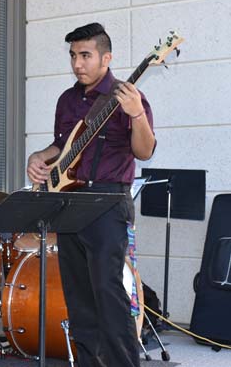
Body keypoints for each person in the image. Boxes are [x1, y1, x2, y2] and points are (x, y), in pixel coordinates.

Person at [26, 22, 155, 367]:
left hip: (107, 202)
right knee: (79, 299)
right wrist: (39, 157)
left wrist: (137, 116)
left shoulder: (129, 97)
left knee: (109, 294)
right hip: (69, 204)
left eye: (85, 55)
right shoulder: (67, 100)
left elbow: (144, 151)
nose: (77, 63)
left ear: (106, 57)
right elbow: (62, 147)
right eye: (73, 56)